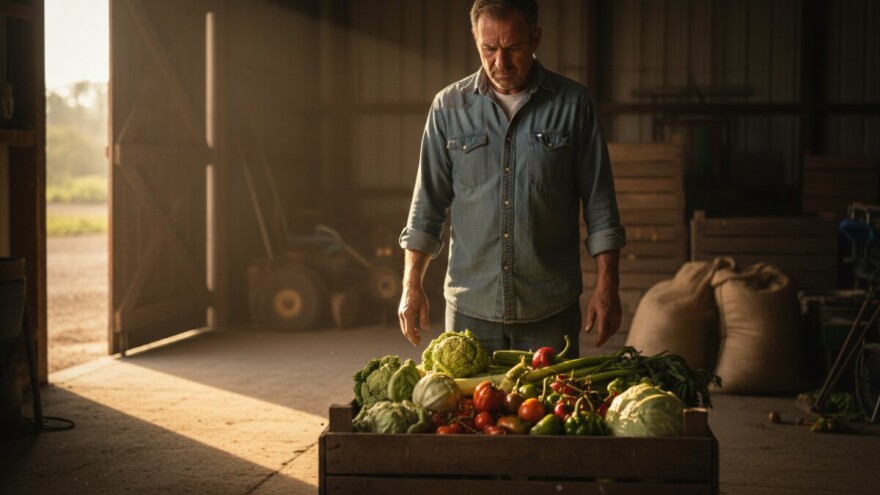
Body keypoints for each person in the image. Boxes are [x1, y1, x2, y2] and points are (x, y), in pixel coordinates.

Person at [397, 0, 626, 356]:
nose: (499, 62)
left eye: (513, 48)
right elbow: (426, 208)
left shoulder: (574, 106)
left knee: (548, 411)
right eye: (488, 48)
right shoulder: (448, 109)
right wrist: (411, 285)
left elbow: (600, 205)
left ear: (535, 39)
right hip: (470, 311)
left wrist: (608, 285)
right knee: (468, 413)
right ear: (474, 37)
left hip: (549, 311)